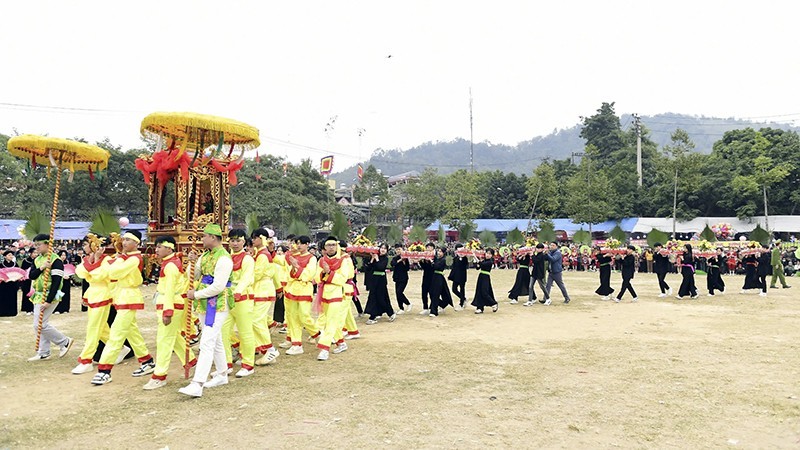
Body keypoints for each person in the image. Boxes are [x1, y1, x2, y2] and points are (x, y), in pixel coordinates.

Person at [91, 230, 155, 385]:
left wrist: (116, 260)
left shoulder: (134, 259)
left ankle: (104, 370)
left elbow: (113, 273)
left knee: (116, 334)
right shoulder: (124, 258)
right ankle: (147, 361)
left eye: (128, 240)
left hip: (128, 297)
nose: (124, 242)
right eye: (123, 239)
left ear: (136, 243)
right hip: (121, 297)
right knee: (132, 332)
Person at [179, 224, 235, 398]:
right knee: (215, 339)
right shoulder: (205, 256)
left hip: (217, 303)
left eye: (204, 236)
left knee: (206, 342)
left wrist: (195, 294)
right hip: (204, 301)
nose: (201, 239)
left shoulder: (224, 259)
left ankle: (198, 383)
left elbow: (218, 286)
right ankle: (222, 373)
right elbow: (194, 276)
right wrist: (192, 261)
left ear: (213, 237)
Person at [145, 236, 197, 390]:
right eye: (157, 246)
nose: (157, 249)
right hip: (169, 303)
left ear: (169, 248)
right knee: (172, 337)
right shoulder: (169, 263)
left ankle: (159, 375)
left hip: (171, 304)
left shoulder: (171, 266)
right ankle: (191, 361)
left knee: (164, 340)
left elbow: (169, 291)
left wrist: (168, 311)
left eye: (160, 246)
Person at [26, 235, 74, 361]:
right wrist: (42, 268)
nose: (36, 247)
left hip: (50, 295)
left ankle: (64, 341)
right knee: (40, 324)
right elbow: (31, 276)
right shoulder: (37, 260)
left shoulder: (56, 260)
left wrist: (48, 300)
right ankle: (44, 352)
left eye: (39, 244)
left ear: (48, 244)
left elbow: (57, 282)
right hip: (38, 294)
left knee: (39, 324)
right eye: (35, 245)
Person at [72, 235, 114, 374]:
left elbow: (99, 276)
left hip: (103, 294)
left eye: (86, 244)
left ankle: (86, 359)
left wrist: (95, 263)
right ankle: (118, 347)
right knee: (101, 327)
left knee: (93, 327)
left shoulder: (107, 260)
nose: (83, 247)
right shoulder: (87, 259)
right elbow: (80, 272)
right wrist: (94, 263)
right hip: (93, 293)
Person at [314, 236, 355, 361]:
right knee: (330, 321)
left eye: (333, 245)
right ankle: (341, 343)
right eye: (328, 245)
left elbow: (344, 277)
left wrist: (329, 273)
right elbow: (316, 278)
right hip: (324, 293)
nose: (331, 247)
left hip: (338, 293)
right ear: (324, 248)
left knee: (331, 322)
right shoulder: (321, 260)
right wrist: (324, 273)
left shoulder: (343, 260)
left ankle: (324, 348)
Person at [283, 235, 321, 355]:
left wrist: (297, 267)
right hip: (292, 288)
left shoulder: (312, 258)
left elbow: (309, 275)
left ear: (307, 244)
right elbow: (289, 273)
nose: (299, 245)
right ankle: (296, 344)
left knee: (304, 315)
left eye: (302, 243)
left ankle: (316, 333)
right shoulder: (294, 256)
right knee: (292, 317)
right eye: (297, 243)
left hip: (305, 288)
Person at [250, 229, 281, 364]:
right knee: (258, 320)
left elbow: (257, 274)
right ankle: (265, 350)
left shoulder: (262, 255)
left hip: (262, 289)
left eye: (255, 238)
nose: (253, 240)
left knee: (256, 320)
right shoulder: (260, 254)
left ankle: (270, 349)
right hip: (259, 288)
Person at [364, 243, 396, 324]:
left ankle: (390, 313)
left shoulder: (385, 259)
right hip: (374, 280)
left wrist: (377, 259)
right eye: (381, 248)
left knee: (381, 298)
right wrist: (372, 259)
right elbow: (368, 268)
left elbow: (381, 268)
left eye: (384, 249)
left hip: (381, 281)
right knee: (373, 297)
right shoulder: (374, 257)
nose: (382, 249)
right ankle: (374, 315)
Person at [339, 240, 361, 340]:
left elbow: (347, 275)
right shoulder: (344, 258)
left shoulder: (345, 259)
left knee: (342, 310)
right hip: (344, 286)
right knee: (346, 311)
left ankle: (339, 331)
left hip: (346, 286)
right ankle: (352, 330)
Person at [428, 246, 454, 317]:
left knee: (436, 294)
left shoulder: (443, 260)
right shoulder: (437, 258)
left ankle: (434, 311)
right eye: (438, 251)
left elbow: (437, 267)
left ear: (443, 253)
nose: (439, 253)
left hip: (439, 277)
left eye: (440, 251)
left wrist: (432, 262)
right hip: (434, 277)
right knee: (431, 293)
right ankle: (442, 304)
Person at [471, 248, 498, 314]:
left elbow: (482, 265)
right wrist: (477, 261)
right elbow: (478, 268)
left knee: (484, 292)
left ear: (492, 255)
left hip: (486, 277)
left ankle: (493, 303)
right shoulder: (484, 260)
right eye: (487, 253)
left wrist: (475, 256)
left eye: (489, 254)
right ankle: (480, 307)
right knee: (479, 291)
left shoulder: (490, 261)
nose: (488, 255)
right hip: (481, 276)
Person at [390, 244, 411, 313]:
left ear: (402, 249)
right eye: (396, 249)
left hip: (404, 278)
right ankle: (401, 308)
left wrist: (404, 261)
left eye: (399, 249)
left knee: (399, 292)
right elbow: (392, 264)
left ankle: (408, 303)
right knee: (397, 293)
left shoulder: (406, 258)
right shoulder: (395, 258)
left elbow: (407, 268)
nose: (398, 251)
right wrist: (400, 260)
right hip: (397, 277)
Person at [448, 244, 468, 309]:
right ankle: (463, 298)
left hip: (462, 276)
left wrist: (462, 257)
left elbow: (465, 266)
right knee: (454, 289)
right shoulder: (455, 258)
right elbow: (454, 268)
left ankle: (461, 303)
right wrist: (451, 276)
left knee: (462, 289)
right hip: (456, 276)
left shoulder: (465, 258)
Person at [0, 250, 19, 317]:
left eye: (11, 255)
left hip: (12, 284)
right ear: (5, 256)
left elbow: (19, 273)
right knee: (3, 297)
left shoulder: (15, 264)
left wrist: (15, 278)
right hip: (3, 284)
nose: (11, 256)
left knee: (12, 297)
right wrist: (3, 279)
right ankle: (2, 312)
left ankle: (12, 312)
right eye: (9, 255)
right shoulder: (1, 264)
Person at [418, 242, 435, 315]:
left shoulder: (435, 256)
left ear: (432, 248)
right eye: (427, 248)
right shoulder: (425, 257)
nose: (427, 249)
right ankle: (425, 307)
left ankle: (432, 307)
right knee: (424, 293)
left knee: (432, 293)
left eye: (429, 247)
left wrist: (431, 261)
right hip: (425, 277)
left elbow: (435, 267)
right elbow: (424, 267)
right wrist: (421, 261)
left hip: (433, 277)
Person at [20, 251, 35, 315]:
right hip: (27, 280)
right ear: (30, 253)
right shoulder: (25, 261)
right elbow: (22, 270)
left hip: (34, 279)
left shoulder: (38, 260)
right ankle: (27, 309)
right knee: (27, 293)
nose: (35, 254)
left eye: (36, 253)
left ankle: (34, 308)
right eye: (34, 253)